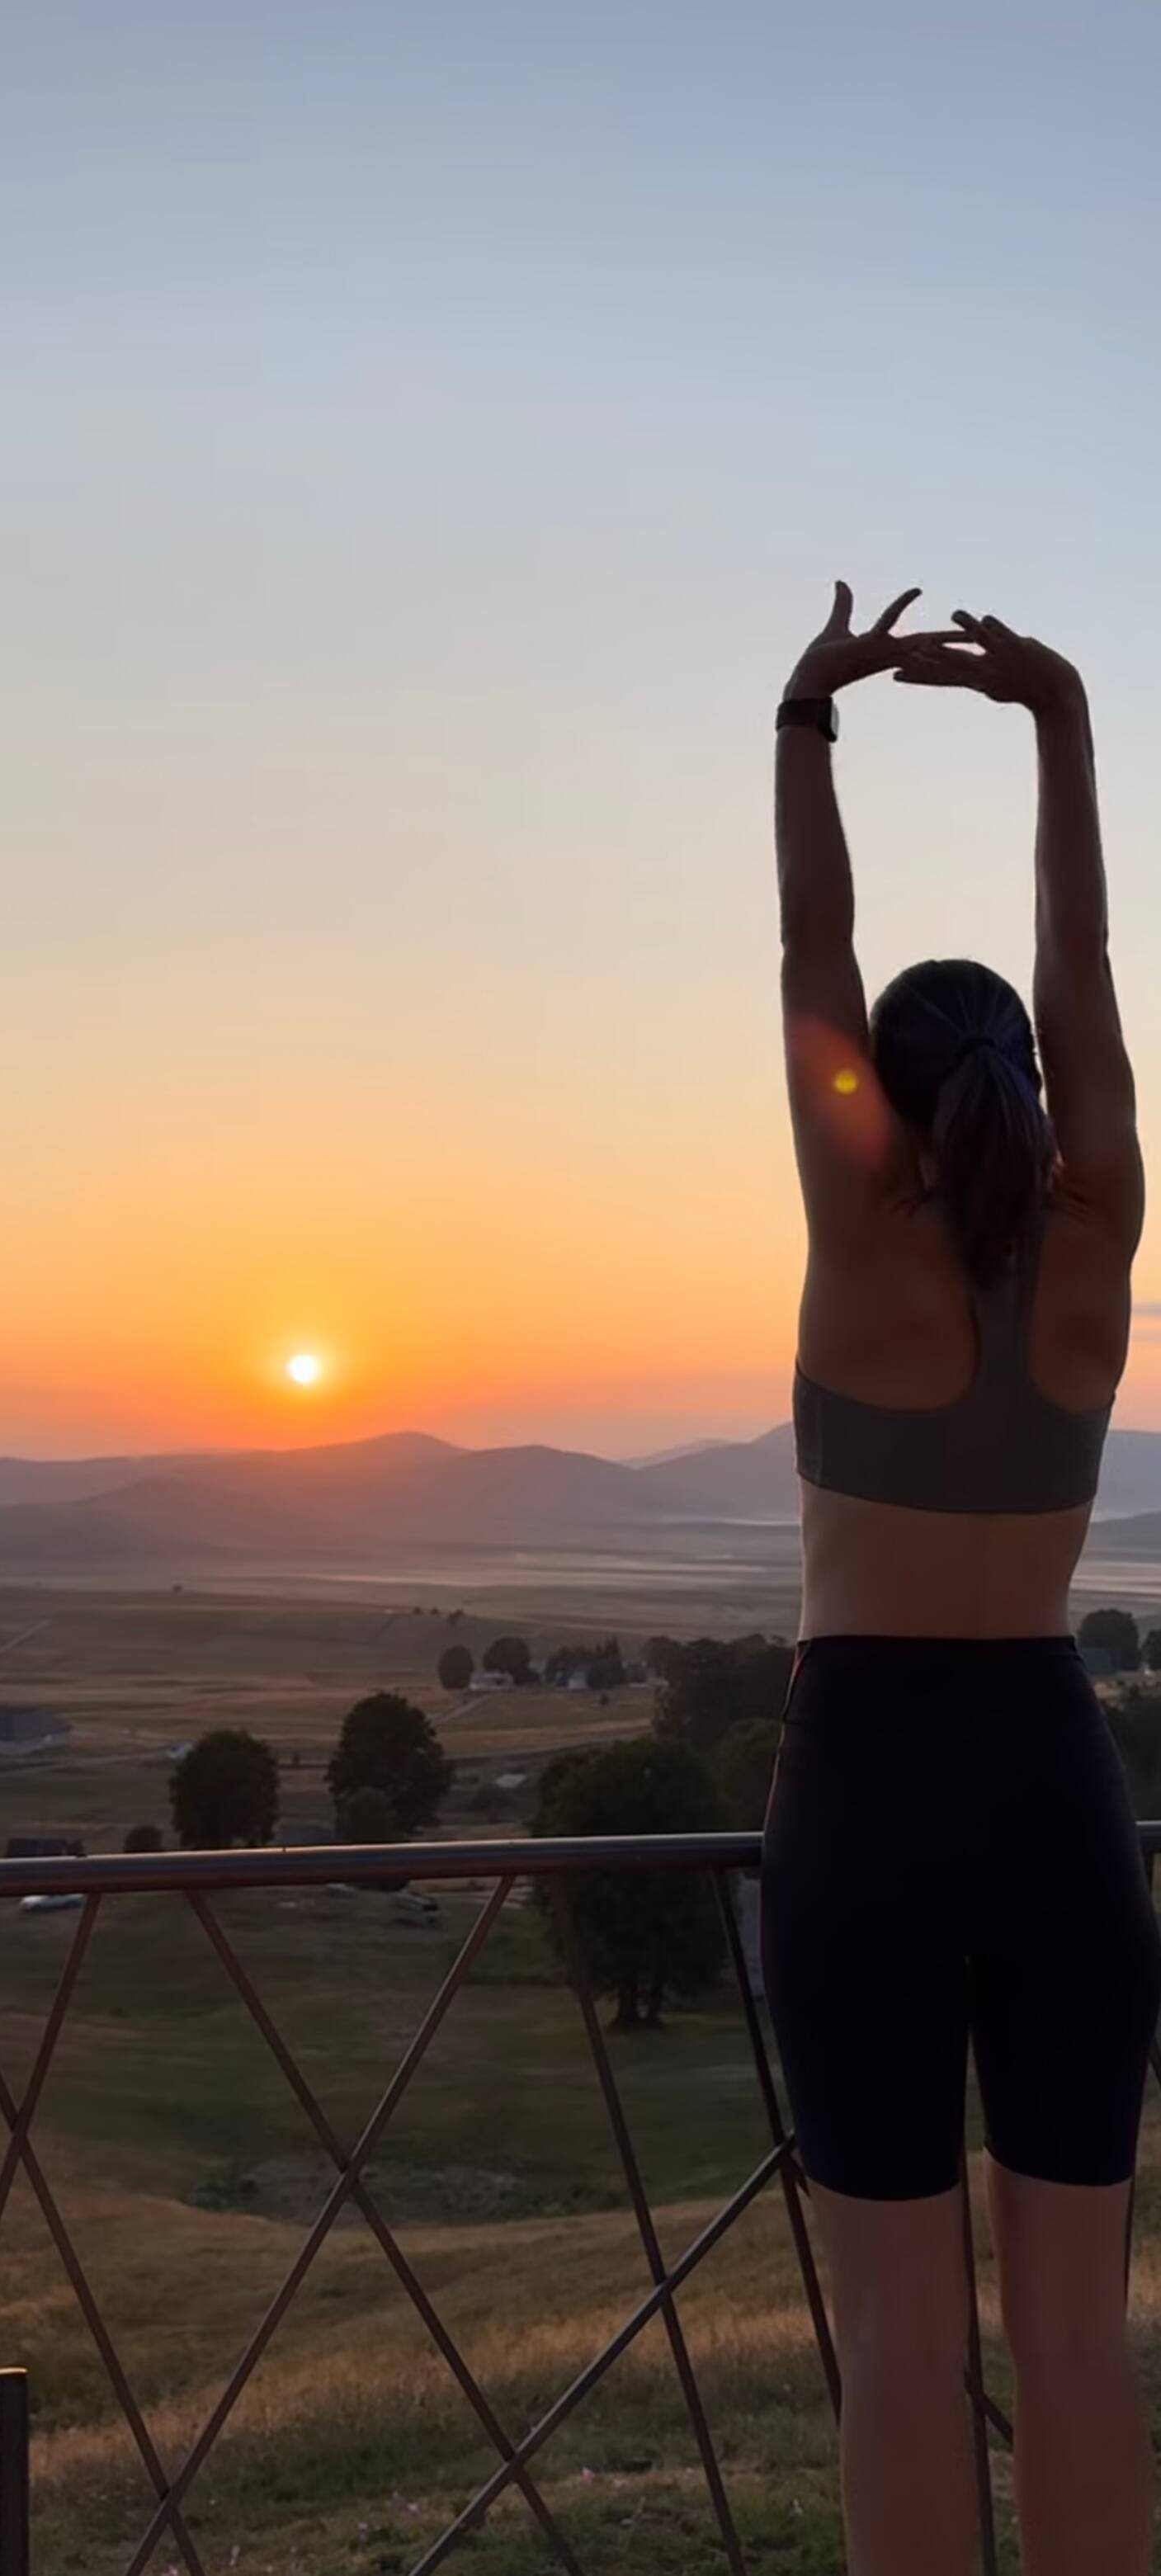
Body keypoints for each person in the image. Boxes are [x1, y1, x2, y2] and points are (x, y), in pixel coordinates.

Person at [758, 583, 1161, 2576]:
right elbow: (1083, 956)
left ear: (886, 1104)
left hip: (867, 1795)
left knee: (904, 2364)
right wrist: (1061, 717)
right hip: (1060, 1795)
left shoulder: (864, 1237)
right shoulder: (1099, 1243)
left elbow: (806, 949)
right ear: (1020, 1079)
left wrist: (806, 721)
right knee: (1080, 2355)